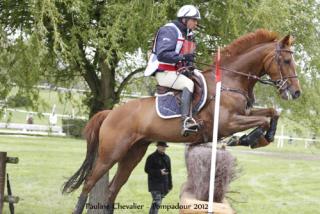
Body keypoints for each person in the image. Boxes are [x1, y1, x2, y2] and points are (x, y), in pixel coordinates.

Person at [144, 5, 201, 136]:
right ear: (185, 19)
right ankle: (185, 120)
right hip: (164, 72)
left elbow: (186, 59)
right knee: (189, 84)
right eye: (194, 20)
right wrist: (183, 57)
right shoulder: (170, 30)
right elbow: (163, 54)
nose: (196, 23)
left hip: (176, 72)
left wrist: (189, 65)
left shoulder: (187, 34)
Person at [145, 141, 172, 214]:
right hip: (154, 184)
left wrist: (170, 186)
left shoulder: (167, 158)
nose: (163, 148)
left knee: (157, 203)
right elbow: (147, 169)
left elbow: (169, 172)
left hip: (164, 185)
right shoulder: (151, 157)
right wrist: (159, 172)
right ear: (157, 146)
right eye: (162, 146)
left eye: (164, 147)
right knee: (157, 201)